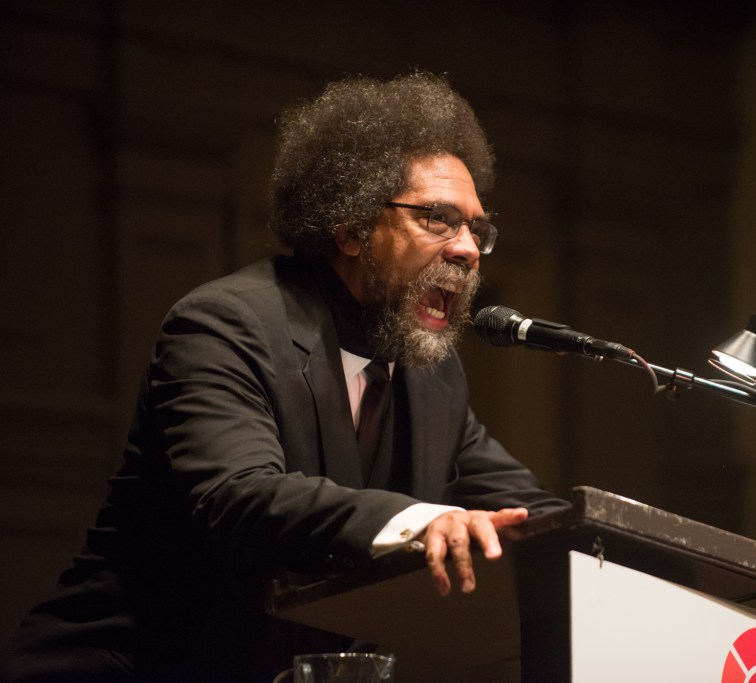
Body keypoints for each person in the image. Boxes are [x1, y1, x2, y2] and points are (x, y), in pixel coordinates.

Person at [3, 72, 569, 682]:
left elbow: (527, 512)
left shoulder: (433, 376)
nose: (468, 250)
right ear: (350, 226)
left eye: (478, 230)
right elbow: (238, 494)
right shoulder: (226, 324)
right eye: (438, 219)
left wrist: (615, 550)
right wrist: (422, 521)